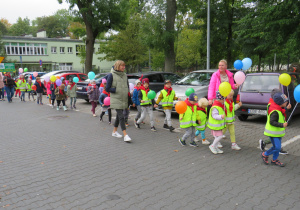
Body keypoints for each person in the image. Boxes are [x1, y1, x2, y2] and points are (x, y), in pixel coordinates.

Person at [106, 60, 132, 142]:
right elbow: (107, 88)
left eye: (124, 66)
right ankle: (125, 135)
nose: (124, 67)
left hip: (123, 99)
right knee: (121, 117)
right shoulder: (111, 75)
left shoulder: (124, 75)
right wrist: (116, 89)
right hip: (116, 99)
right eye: (122, 66)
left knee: (118, 116)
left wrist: (129, 97)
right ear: (118, 66)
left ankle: (114, 132)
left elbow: (127, 87)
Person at [259, 88, 291, 155]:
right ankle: (266, 151)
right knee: (275, 139)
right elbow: (275, 117)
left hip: (276, 126)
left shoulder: (275, 104)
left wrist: (286, 108)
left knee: (277, 138)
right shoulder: (274, 107)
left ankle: (276, 150)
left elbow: (280, 111)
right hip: (275, 126)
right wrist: (282, 124)